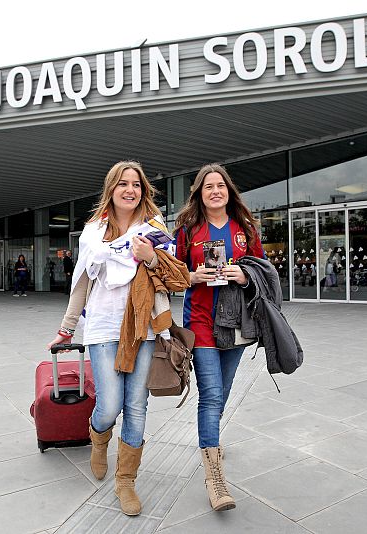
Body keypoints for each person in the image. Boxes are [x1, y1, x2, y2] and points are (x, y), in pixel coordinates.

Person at [46, 160, 187, 517]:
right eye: (123, 183)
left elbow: (173, 276)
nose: (130, 190)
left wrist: (150, 256)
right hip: (103, 328)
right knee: (109, 406)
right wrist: (66, 328)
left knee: (136, 406)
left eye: (136, 185)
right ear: (112, 189)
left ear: (143, 191)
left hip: (145, 328)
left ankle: (126, 481)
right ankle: (98, 437)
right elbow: (81, 283)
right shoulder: (94, 232)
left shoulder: (153, 229)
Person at [173, 163, 264, 512]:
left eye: (220, 185)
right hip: (200, 322)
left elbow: (263, 270)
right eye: (208, 186)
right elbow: (173, 271)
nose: (215, 190)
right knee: (211, 396)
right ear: (199, 193)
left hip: (237, 323)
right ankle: (215, 477)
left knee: (222, 393)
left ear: (229, 191)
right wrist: (193, 276)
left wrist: (242, 275)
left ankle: (211, 441)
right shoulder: (188, 230)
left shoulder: (245, 228)